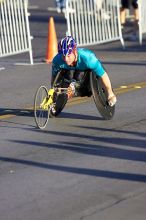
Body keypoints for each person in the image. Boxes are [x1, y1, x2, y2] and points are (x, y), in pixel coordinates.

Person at [51, 36, 117, 107]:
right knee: (68, 76)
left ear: (75, 52)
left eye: (68, 55)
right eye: (63, 56)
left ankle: (80, 88)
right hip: (70, 72)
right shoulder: (57, 60)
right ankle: (70, 90)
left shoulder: (89, 59)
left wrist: (110, 94)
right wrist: (54, 93)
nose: (66, 59)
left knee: (79, 78)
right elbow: (54, 78)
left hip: (86, 73)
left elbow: (103, 75)